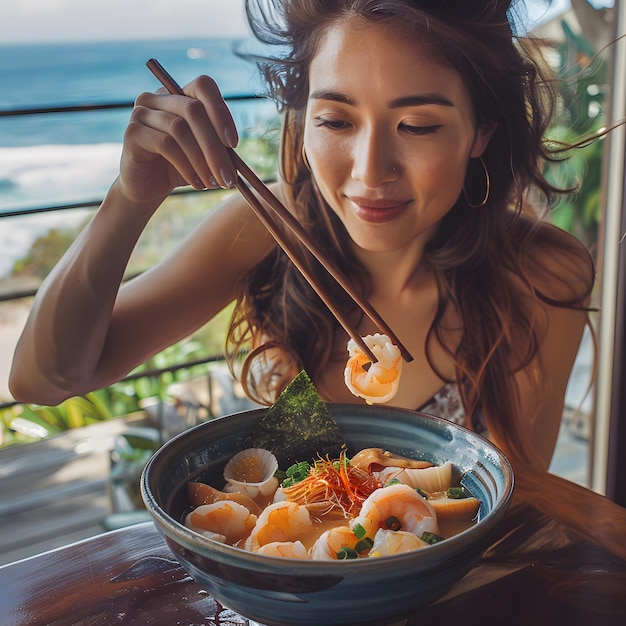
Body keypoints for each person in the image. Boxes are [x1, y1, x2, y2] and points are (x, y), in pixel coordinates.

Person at [9, 0, 595, 473]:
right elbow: (46, 379)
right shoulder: (266, 225)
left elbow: (517, 507)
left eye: (417, 125)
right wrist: (131, 197)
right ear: (302, 117)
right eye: (336, 120)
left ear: (481, 133)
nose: (370, 172)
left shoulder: (542, 273)